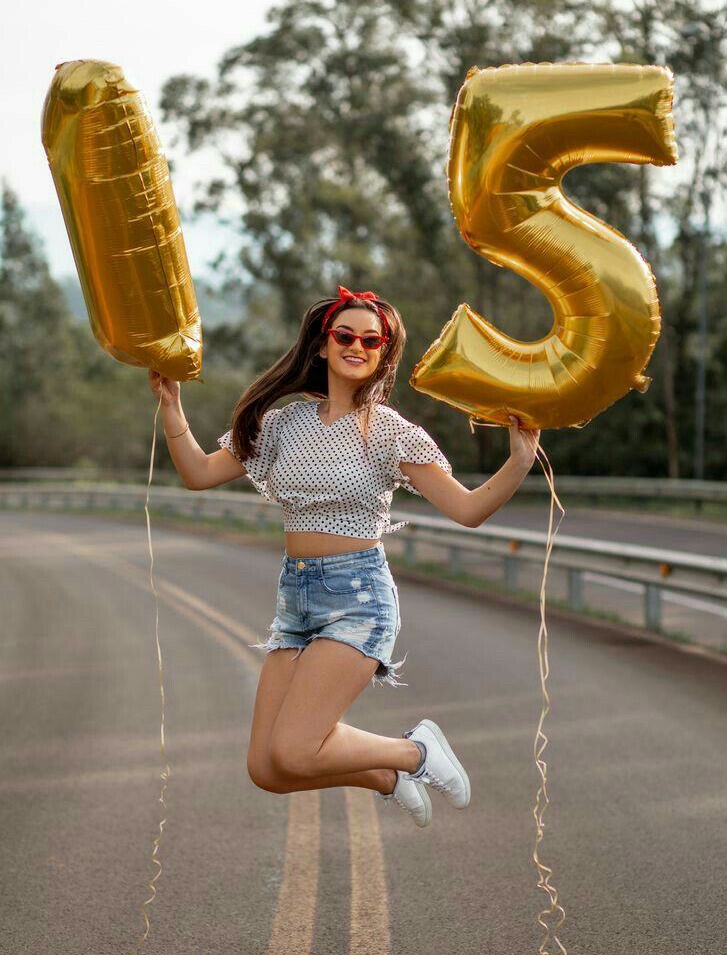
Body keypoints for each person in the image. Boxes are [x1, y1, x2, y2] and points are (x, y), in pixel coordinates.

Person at [149, 285, 539, 829]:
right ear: (323, 345)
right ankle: (387, 776)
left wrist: (519, 461)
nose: (358, 345)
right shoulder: (284, 423)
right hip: (296, 600)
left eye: (371, 340)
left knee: (294, 748)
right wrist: (173, 407)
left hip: (358, 599)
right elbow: (198, 473)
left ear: (383, 352)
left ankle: (416, 752)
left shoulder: (387, 430)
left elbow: (468, 510)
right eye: (346, 335)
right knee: (268, 767)